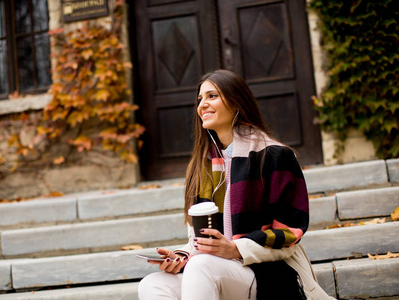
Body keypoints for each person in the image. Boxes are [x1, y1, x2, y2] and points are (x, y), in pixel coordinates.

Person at [138, 70, 334, 299]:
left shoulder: (275, 156)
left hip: (268, 273)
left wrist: (236, 249)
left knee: (201, 267)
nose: (202, 105)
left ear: (236, 102)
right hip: (217, 270)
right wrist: (182, 256)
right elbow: (200, 240)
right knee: (152, 284)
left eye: (212, 96)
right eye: (200, 99)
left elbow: (289, 232)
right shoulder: (203, 166)